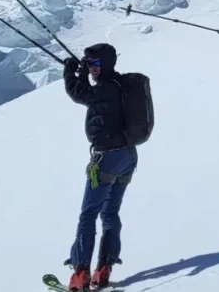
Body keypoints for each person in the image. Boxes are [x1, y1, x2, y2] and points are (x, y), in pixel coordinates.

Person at [63, 43, 138, 291]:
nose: (92, 67)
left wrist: (71, 71)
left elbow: (78, 93)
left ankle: (81, 273)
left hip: (107, 158)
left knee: (88, 214)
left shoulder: (105, 88)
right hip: (127, 156)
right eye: (89, 63)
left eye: (95, 63)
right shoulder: (119, 84)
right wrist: (83, 72)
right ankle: (104, 268)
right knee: (109, 213)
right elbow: (88, 93)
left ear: (105, 64)